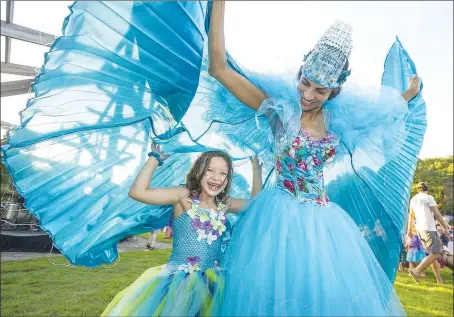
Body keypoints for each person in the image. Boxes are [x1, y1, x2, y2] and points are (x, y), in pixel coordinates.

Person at [207, 1, 423, 316]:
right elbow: (219, 69)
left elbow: (382, 116)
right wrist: (219, 5)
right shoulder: (280, 112)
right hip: (275, 218)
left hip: (322, 223)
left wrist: (409, 94)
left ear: (333, 93)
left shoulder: (339, 124)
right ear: (300, 74)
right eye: (305, 83)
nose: (308, 95)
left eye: (320, 91)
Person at [102, 146, 263, 316]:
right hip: (180, 284)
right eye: (210, 170)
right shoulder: (183, 196)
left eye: (223, 173)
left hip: (215, 283)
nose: (217, 178)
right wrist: (155, 158)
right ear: (199, 171)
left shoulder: (225, 203)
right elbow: (137, 192)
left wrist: (256, 170)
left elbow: (256, 205)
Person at [407, 182, 451, 284]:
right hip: (429, 228)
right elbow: (437, 213)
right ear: (427, 189)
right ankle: (416, 270)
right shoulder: (428, 197)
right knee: (437, 253)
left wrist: (410, 230)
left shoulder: (413, 199)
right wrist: (446, 228)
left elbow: (411, 217)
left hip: (419, 229)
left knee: (432, 254)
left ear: (418, 190)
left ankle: (439, 280)